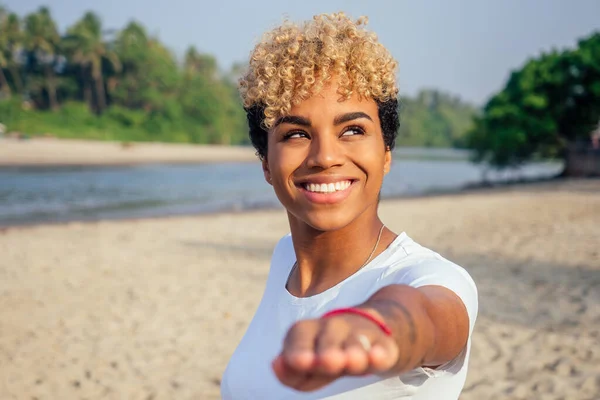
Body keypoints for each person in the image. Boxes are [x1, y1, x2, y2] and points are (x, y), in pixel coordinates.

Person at [221, 13, 478, 399]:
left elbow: (427, 320)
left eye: (353, 130)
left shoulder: (429, 277)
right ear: (266, 165)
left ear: (386, 153)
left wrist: (373, 326)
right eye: (296, 134)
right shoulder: (284, 260)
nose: (325, 156)